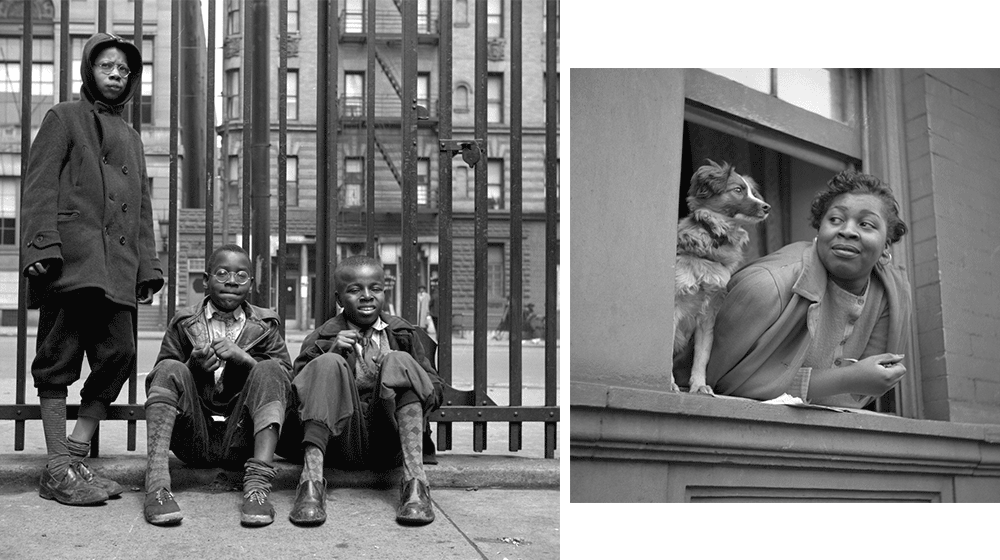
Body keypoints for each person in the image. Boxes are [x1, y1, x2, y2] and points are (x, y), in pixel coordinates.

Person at [20, 33, 163, 507]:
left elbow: (142, 207)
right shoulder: (63, 117)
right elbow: (39, 185)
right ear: (89, 70)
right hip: (72, 262)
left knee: (119, 353)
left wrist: (147, 267)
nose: (117, 75)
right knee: (58, 358)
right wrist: (40, 245)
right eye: (107, 66)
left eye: (124, 70)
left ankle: (73, 456)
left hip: (117, 267)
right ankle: (58, 469)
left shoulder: (133, 139)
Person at [675, 169, 911, 408]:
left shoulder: (891, 295)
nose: (847, 231)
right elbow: (721, 382)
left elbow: (856, 397)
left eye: (866, 224)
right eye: (835, 220)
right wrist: (844, 380)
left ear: (886, 244)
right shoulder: (766, 285)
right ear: (819, 230)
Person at [278, 255, 443, 527]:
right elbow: (295, 401)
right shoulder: (320, 337)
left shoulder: (403, 334)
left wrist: (397, 367)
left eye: (375, 289)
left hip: (391, 441)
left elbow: (434, 392)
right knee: (328, 363)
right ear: (339, 299)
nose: (367, 296)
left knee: (398, 362)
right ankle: (311, 485)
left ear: (383, 292)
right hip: (337, 442)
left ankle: (416, 485)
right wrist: (329, 353)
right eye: (355, 290)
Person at [142, 244, 293, 527]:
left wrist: (246, 360)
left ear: (251, 283)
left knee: (270, 367)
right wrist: (192, 368)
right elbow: (160, 378)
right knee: (170, 367)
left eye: (241, 276)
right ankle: (157, 486)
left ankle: (258, 487)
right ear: (206, 279)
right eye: (222, 274)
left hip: (243, 438)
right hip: (194, 436)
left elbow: (287, 381)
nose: (232, 281)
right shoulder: (184, 322)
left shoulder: (265, 324)